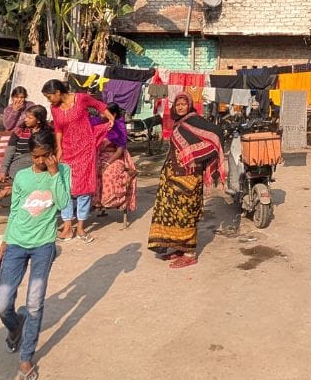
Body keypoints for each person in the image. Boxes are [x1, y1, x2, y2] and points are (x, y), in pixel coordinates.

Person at [0, 129, 70, 380]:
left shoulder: (61, 172)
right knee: (2, 303)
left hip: (43, 245)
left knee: (35, 303)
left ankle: (26, 358)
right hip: (16, 243)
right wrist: (3, 244)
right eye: (36, 156)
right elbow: (14, 211)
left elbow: (62, 203)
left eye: (45, 155)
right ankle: (15, 325)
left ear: (52, 152)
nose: (40, 161)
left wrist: (54, 174)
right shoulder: (22, 177)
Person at [148, 93, 224, 268]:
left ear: (189, 106)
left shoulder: (195, 121)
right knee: (172, 214)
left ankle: (189, 253)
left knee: (186, 214)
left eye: (184, 104)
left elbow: (216, 135)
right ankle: (179, 247)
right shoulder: (178, 123)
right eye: (178, 104)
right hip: (172, 176)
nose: (180, 107)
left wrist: (193, 156)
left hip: (189, 178)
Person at [41, 79, 115, 242]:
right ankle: (67, 226)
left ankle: (81, 226)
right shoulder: (54, 108)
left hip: (85, 148)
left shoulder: (81, 98)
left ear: (58, 92)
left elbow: (100, 106)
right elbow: (58, 129)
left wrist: (111, 119)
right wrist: (59, 148)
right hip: (67, 149)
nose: (49, 100)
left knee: (83, 188)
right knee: (65, 185)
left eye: (49, 96)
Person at [95, 103, 137, 219]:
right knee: (92, 172)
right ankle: (96, 202)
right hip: (98, 156)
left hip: (115, 157)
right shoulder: (97, 124)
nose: (101, 114)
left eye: (104, 112)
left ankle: (116, 200)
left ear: (113, 114)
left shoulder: (119, 127)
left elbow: (119, 150)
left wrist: (107, 163)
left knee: (108, 173)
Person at [0, 105, 50, 190]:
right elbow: (9, 152)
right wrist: (3, 172)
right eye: (26, 117)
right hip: (20, 164)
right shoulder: (19, 131)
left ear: (38, 120)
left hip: (41, 165)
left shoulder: (47, 133)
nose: (25, 119)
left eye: (29, 117)